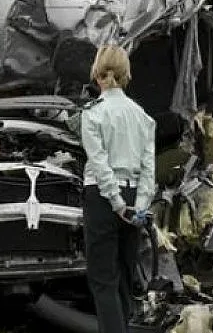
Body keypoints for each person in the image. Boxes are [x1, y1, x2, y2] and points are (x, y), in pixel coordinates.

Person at [80, 45, 156, 333]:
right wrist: (141, 205)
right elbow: (149, 168)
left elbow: (99, 164)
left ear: (98, 74)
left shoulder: (93, 114)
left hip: (103, 198)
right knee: (125, 277)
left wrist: (115, 202)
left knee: (103, 280)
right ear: (126, 75)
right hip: (135, 197)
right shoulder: (142, 116)